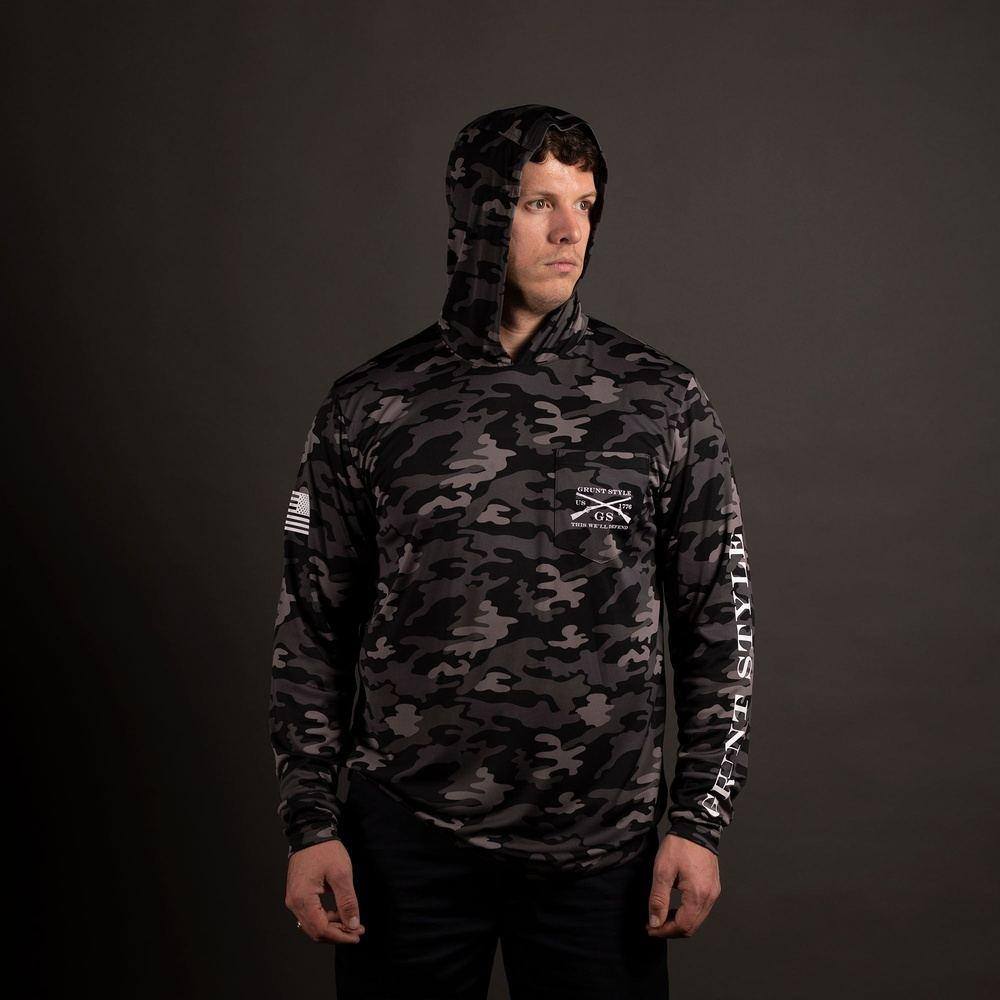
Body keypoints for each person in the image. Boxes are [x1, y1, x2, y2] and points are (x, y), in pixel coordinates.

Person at [269, 103, 756, 999]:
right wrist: (309, 823)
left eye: (585, 203)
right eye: (540, 203)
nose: (572, 231)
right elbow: (310, 629)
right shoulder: (369, 405)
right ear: (479, 215)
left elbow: (720, 631)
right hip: (404, 846)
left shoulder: (663, 403)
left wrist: (698, 821)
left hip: (600, 854)